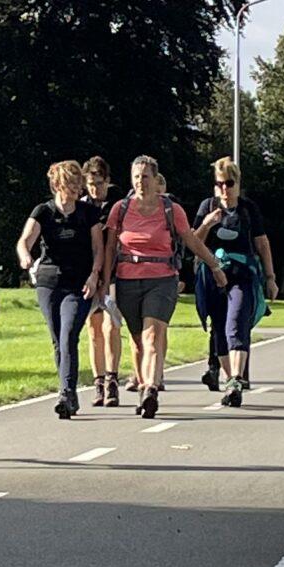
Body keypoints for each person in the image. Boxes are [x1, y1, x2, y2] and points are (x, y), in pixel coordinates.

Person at [98, 157, 224, 419]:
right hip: (127, 280)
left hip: (162, 279)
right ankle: (144, 386)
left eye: (145, 177)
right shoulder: (120, 209)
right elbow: (109, 248)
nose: (140, 182)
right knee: (137, 341)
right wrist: (106, 283)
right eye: (136, 177)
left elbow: (191, 240)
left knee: (152, 335)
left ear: (156, 181)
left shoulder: (171, 209)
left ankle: (151, 390)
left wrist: (214, 265)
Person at [17, 160, 105, 419]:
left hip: (78, 285)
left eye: (78, 183)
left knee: (68, 335)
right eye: (71, 184)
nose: (76, 188)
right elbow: (24, 241)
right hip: (49, 283)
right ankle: (68, 392)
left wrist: (94, 275)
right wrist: (25, 257)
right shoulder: (43, 212)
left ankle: (66, 393)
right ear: (57, 185)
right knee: (58, 339)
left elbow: (98, 248)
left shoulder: (88, 213)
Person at [195, 157, 277, 406]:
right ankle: (231, 380)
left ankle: (237, 379)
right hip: (213, 276)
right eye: (220, 184)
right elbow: (193, 241)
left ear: (238, 184)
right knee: (220, 327)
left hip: (242, 275)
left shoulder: (248, 209)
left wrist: (270, 278)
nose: (224, 189)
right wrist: (207, 224)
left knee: (236, 323)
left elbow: (262, 243)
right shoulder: (208, 206)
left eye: (229, 183)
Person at [81, 156, 125, 406]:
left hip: (115, 273)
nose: (95, 189)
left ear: (107, 181)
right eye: (91, 184)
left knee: (112, 326)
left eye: (99, 183)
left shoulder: (118, 206)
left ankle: (112, 378)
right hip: (90, 273)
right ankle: (98, 381)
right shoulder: (82, 206)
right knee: (94, 328)